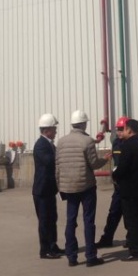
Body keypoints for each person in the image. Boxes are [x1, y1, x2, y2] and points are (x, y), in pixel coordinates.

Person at [56, 109, 111, 267]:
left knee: (70, 221)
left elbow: (57, 167)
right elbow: (93, 164)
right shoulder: (87, 141)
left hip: (68, 187)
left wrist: (60, 186)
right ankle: (90, 256)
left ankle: (71, 257)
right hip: (86, 187)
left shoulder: (61, 142)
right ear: (84, 124)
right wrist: (105, 159)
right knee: (88, 220)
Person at [114, 118, 138, 261]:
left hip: (129, 190)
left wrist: (114, 175)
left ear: (129, 130)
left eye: (123, 129)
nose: (121, 132)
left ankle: (136, 251)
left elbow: (122, 168)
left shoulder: (128, 147)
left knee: (132, 221)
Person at [32, 113, 65, 260]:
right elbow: (49, 161)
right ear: (47, 130)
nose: (56, 131)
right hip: (42, 190)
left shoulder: (49, 144)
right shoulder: (40, 145)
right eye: (54, 129)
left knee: (52, 219)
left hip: (49, 189)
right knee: (45, 220)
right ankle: (44, 250)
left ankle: (53, 245)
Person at [96, 116, 129, 249]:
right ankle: (107, 238)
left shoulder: (131, 144)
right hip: (118, 185)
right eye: (118, 129)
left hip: (128, 184)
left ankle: (131, 238)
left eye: (122, 129)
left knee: (128, 213)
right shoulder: (116, 143)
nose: (119, 132)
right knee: (114, 212)